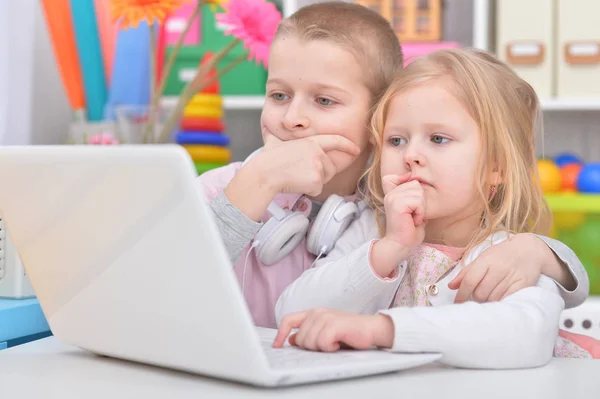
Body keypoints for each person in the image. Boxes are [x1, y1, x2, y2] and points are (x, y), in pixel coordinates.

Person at [196, 2, 588, 329]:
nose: (292, 117)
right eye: (279, 95)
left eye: (324, 101)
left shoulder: (393, 204)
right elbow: (167, 277)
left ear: (377, 120)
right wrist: (260, 179)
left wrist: (538, 250)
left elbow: (489, 243)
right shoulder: (219, 188)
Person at [273, 48, 599, 366]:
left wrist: (382, 329)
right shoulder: (371, 232)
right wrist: (389, 249)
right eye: (396, 140)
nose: (410, 154)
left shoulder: (507, 254)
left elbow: (526, 338)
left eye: (439, 139)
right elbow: (291, 313)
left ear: (495, 167)